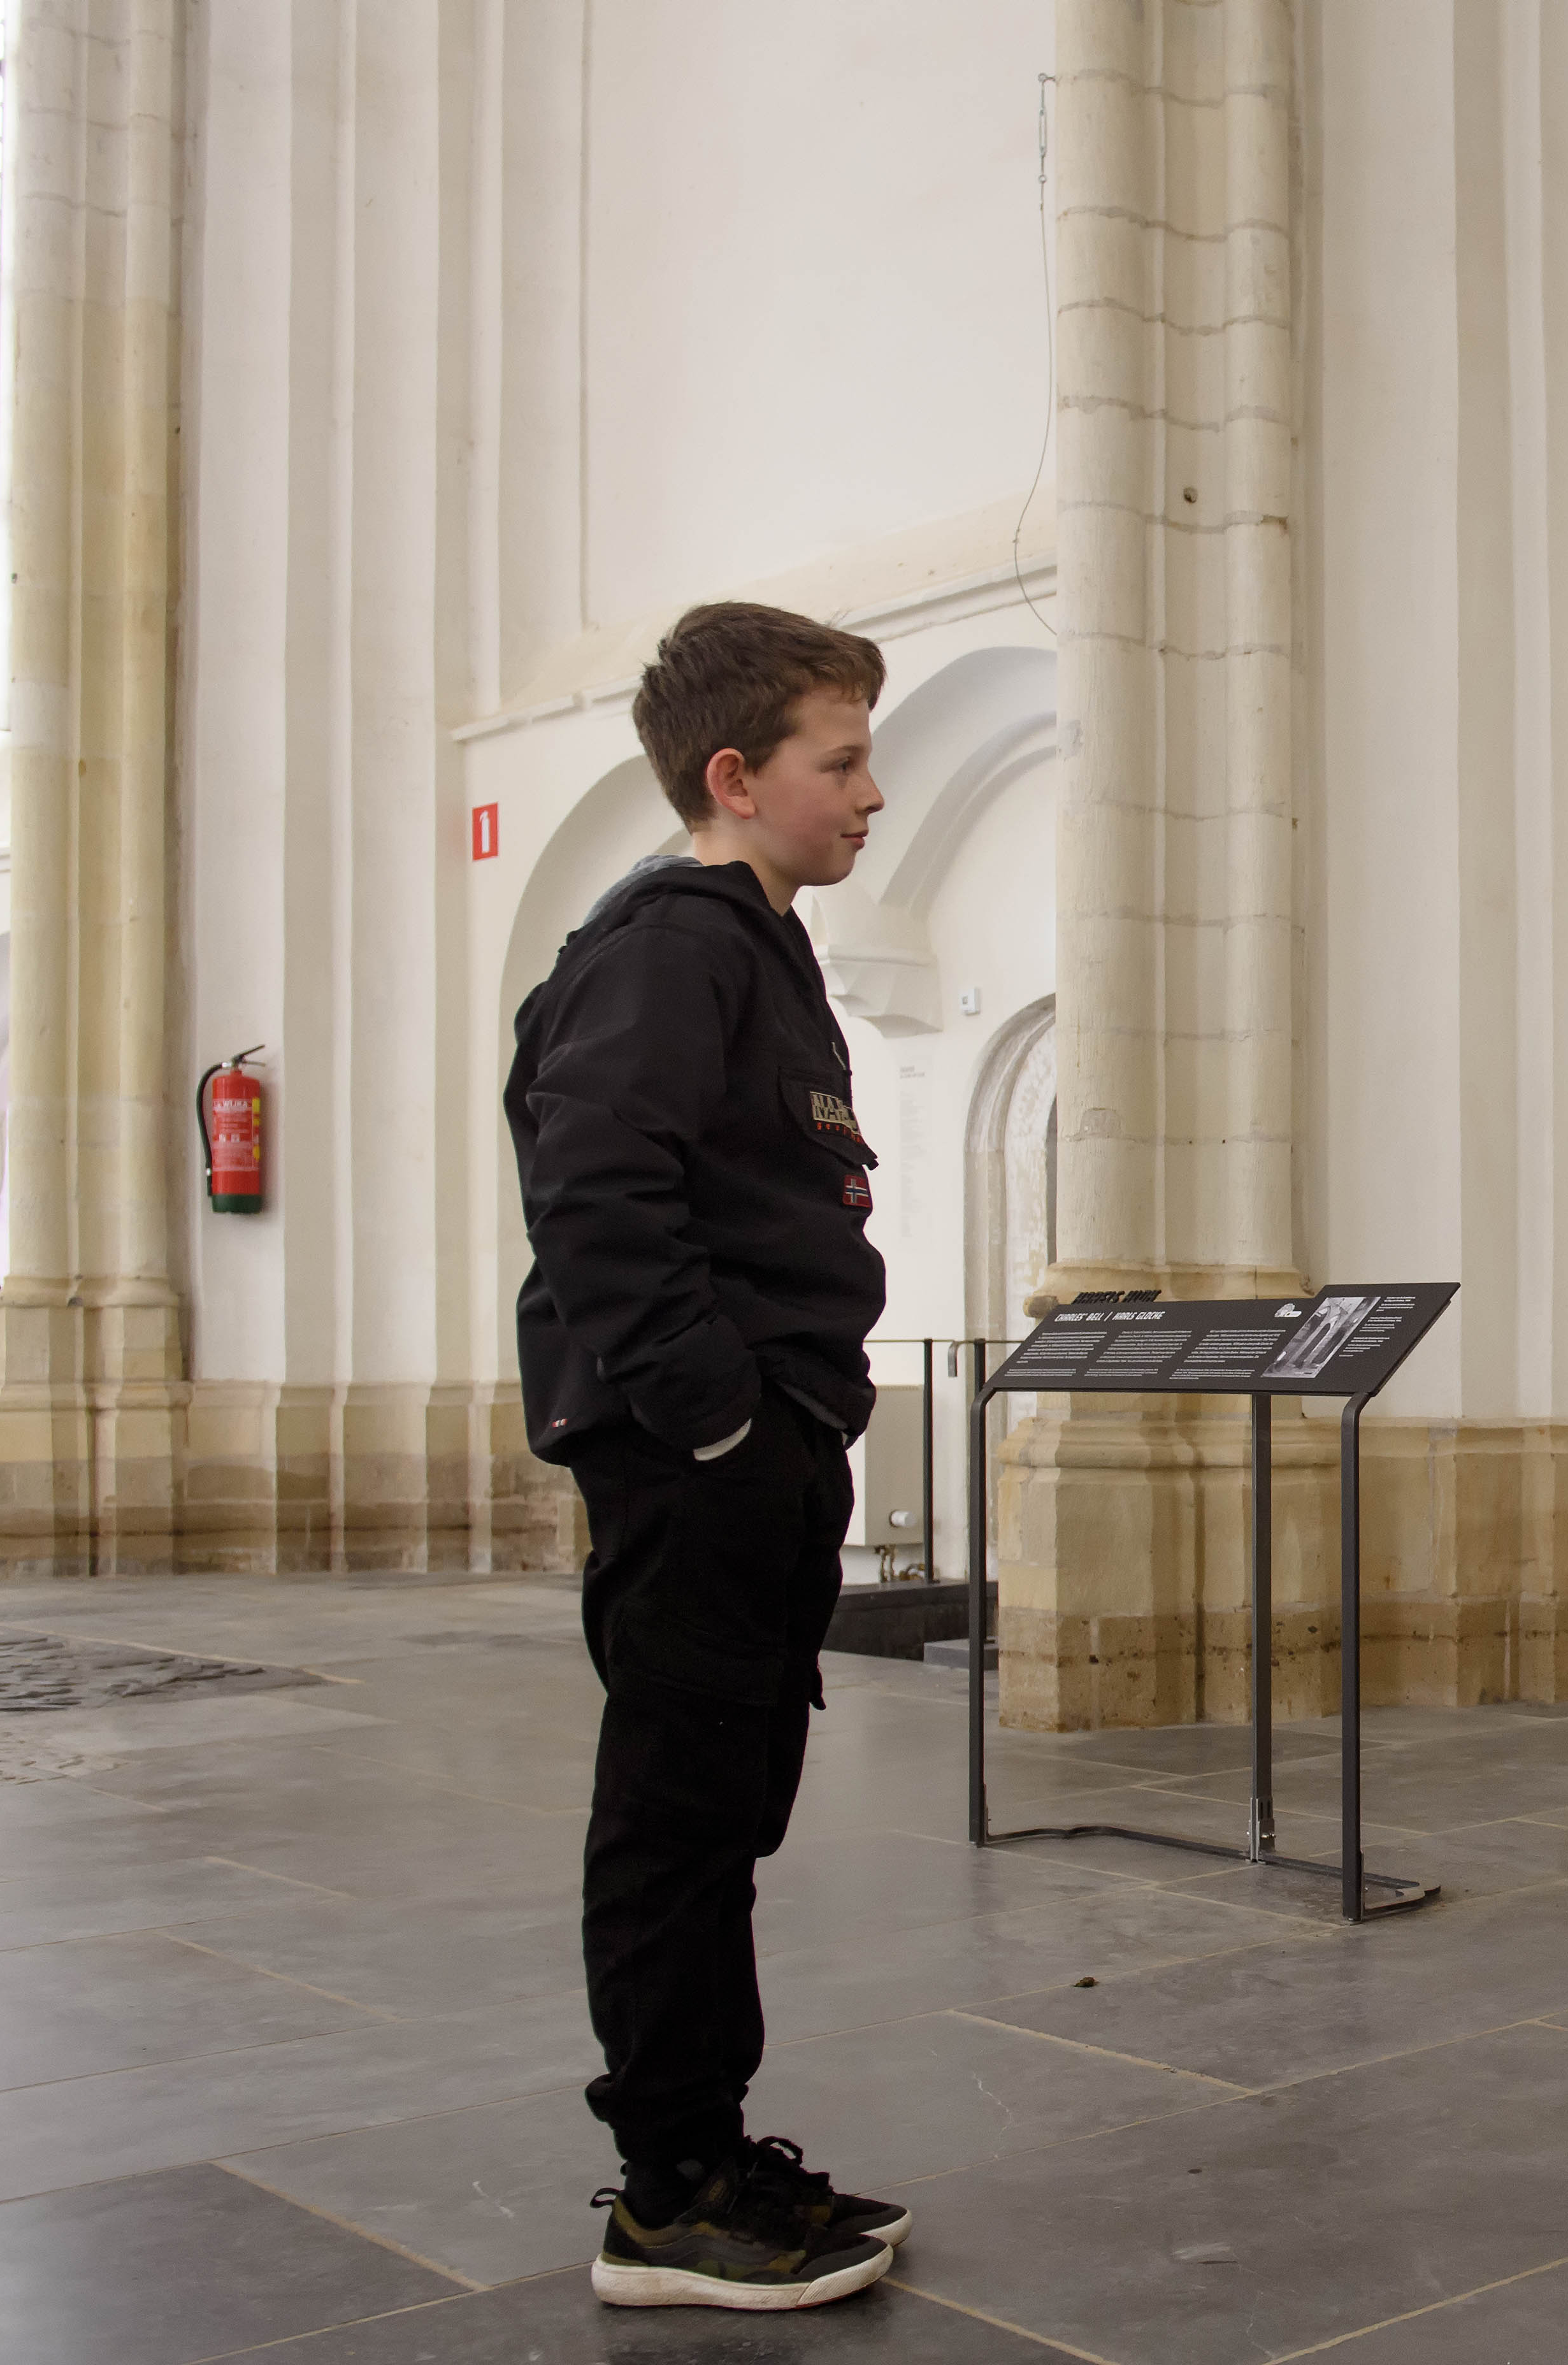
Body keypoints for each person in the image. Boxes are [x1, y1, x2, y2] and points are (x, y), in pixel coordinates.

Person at [507, 601, 907, 2310]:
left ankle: (712, 2149)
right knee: (677, 1816)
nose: (874, 792)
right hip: (704, 1457)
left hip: (760, 1447)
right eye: (844, 758)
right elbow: (597, 1181)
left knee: (724, 1806)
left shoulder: (755, 950)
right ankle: (667, 2195)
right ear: (737, 778)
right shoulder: (672, 945)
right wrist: (725, 1415)